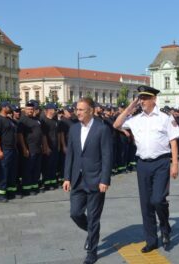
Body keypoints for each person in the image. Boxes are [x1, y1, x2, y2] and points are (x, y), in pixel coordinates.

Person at [113, 85, 179, 252]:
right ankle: (151, 240)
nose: (142, 101)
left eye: (145, 98)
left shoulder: (165, 117)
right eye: (140, 98)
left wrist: (175, 164)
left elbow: (173, 140)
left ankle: (165, 227)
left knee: (158, 200)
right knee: (146, 204)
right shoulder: (136, 118)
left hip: (161, 163)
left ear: (154, 99)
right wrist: (130, 108)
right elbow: (116, 124)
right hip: (143, 164)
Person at [62, 97, 113, 264]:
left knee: (93, 217)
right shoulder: (74, 129)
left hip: (96, 180)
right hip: (77, 179)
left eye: (81, 109)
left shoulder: (102, 129)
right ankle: (92, 232)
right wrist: (67, 177)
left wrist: (104, 179)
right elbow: (70, 155)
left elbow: (107, 156)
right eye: (77, 109)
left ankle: (92, 252)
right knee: (75, 213)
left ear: (91, 110)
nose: (78, 112)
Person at [0, 101, 18, 202]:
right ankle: (1, 194)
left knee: (11, 171)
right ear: (3, 107)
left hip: (12, 149)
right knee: (4, 172)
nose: (10, 108)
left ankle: (10, 191)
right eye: (9, 107)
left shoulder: (8, 119)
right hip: (5, 149)